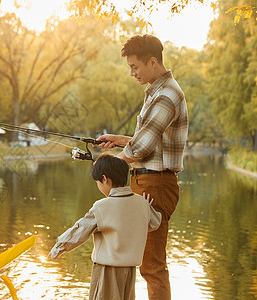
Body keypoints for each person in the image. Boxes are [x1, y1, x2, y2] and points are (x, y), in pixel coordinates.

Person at [96, 34, 189, 300]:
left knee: (152, 265)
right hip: (146, 180)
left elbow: (142, 148)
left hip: (155, 185)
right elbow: (147, 142)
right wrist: (119, 141)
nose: (132, 73)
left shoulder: (167, 95)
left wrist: (112, 162)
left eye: (134, 67)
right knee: (140, 260)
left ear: (152, 61)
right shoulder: (156, 92)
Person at [48, 153, 162, 300]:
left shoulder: (102, 206)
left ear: (105, 179)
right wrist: (146, 207)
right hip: (130, 271)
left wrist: (59, 247)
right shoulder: (141, 203)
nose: (99, 186)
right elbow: (154, 223)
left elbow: (81, 230)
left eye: (98, 182)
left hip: (107, 271)